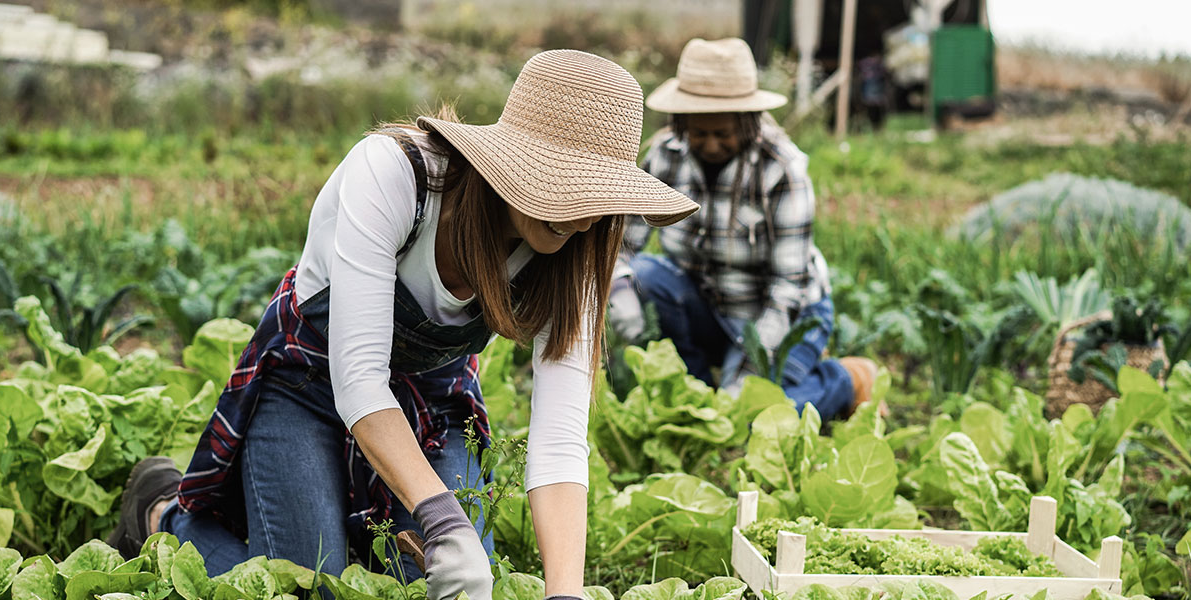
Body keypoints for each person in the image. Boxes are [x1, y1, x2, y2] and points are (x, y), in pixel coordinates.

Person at [106, 49, 698, 600]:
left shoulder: (577, 256)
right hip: (308, 386)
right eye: (564, 184)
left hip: (431, 403)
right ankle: (161, 514)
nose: (582, 215)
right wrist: (444, 521)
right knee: (312, 583)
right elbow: (359, 379)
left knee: (454, 584)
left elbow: (559, 441)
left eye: (598, 195)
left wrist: (563, 592)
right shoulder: (398, 174)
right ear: (514, 162)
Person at [607, 38, 878, 421]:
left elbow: (787, 289)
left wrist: (746, 374)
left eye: (724, 133)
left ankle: (846, 379)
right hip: (708, 305)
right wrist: (620, 290)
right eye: (699, 133)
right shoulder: (665, 155)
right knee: (650, 276)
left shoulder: (781, 169)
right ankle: (699, 391)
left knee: (750, 419)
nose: (711, 144)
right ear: (681, 123)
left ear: (747, 122)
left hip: (784, 315)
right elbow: (624, 244)